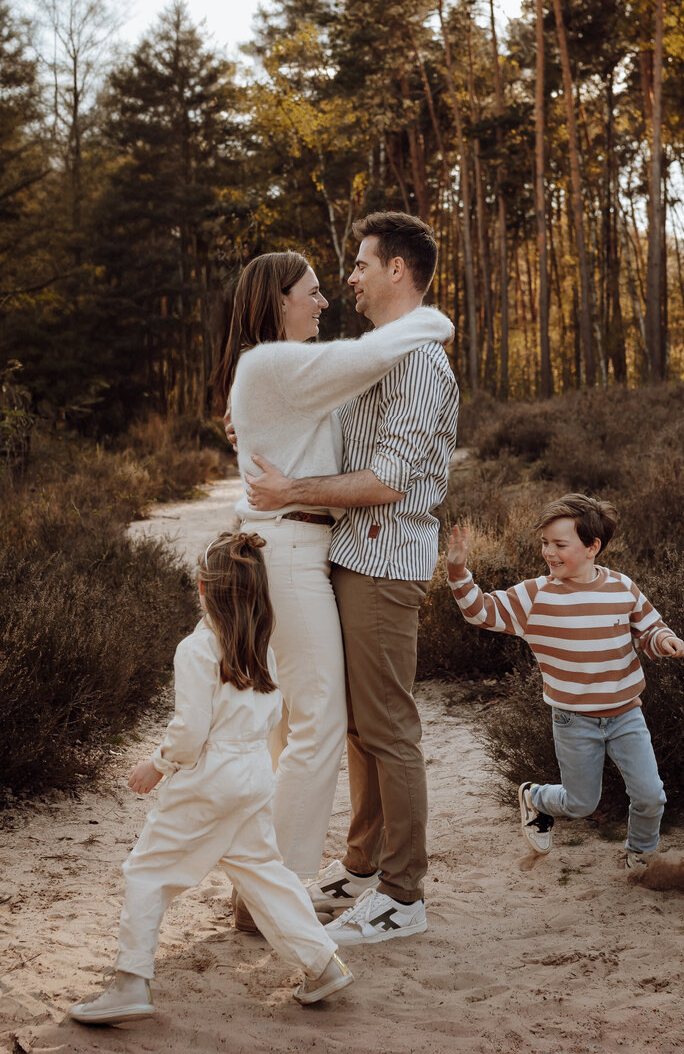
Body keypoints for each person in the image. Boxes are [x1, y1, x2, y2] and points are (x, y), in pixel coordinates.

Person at [244, 212, 459, 945]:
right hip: (349, 555)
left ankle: (403, 894)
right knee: (362, 727)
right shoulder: (380, 352)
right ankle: (364, 866)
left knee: (388, 727)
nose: (352, 279)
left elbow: (391, 480)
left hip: (384, 559)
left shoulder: (421, 361)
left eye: (363, 265)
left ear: (398, 269)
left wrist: (293, 491)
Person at [70, 531, 353, 1027]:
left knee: (148, 871)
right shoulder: (261, 649)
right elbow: (272, 714)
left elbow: (190, 730)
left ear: (202, 588)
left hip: (208, 778)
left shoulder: (196, 648)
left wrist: (157, 765)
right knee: (264, 872)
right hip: (252, 775)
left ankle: (130, 983)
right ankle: (322, 963)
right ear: (258, 594)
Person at [446, 493, 684, 870]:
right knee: (581, 803)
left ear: (593, 547)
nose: (549, 552)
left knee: (651, 795)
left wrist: (664, 641)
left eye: (560, 544)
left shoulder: (622, 586)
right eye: (545, 543)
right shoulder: (534, 596)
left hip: (626, 715)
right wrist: (460, 572)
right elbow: (481, 612)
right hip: (573, 719)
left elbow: (648, 629)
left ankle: (641, 855)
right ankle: (536, 798)